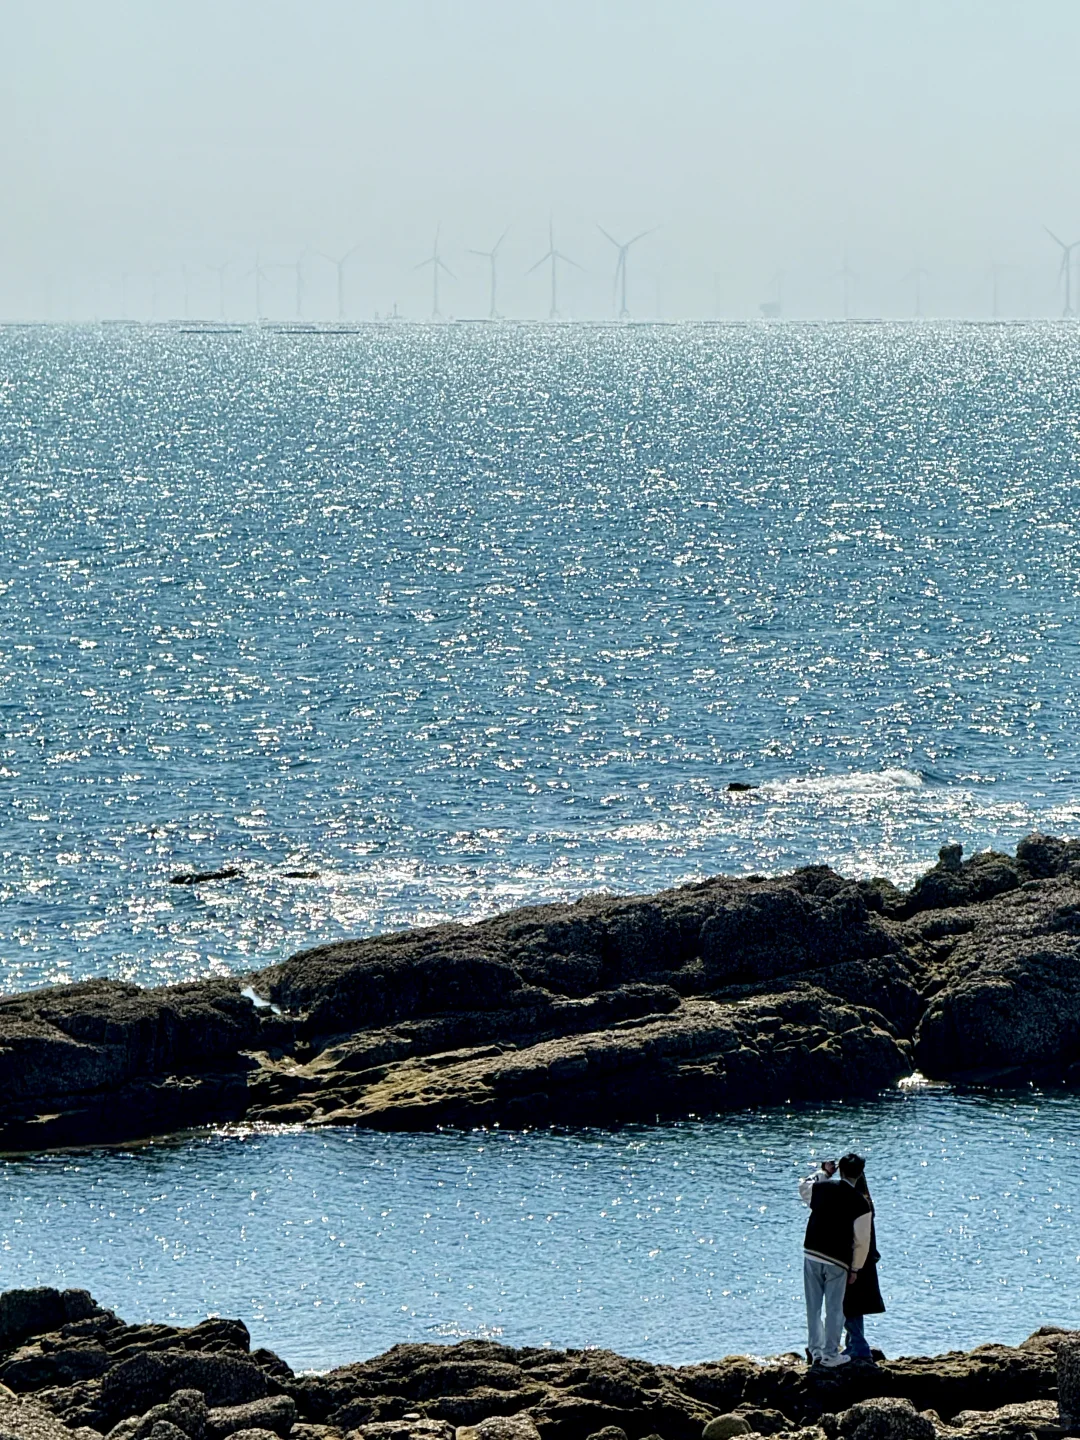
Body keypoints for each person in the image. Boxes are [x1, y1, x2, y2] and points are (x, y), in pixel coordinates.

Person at [798, 1152, 872, 1368]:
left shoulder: (822, 1188)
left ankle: (816, 1351)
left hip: (812, 1252)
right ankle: (831, 1354)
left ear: (839, 1169)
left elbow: (804, 1186)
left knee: (813, 1307)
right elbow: (862, 1241)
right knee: (834, 1309)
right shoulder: (861, 1203)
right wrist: (856, 1268)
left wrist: (822, 1173)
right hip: (838, 1260)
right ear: (860, 1174)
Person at [843, 1169, 884, 1362]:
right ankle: (852, 1344)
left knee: (847, 1305)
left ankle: (859, 1345)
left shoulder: (855, 1203)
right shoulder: (866, 1202)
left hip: (855, 1262)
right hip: (866, 1262)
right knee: (855, 1306)